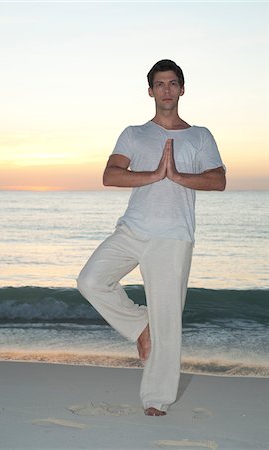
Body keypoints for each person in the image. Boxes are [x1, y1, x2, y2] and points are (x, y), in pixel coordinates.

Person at [77, 59, 226, 416]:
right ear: (150, 91)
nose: (167, 91)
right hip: (132, 229)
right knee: (91, 280)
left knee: (168, 319)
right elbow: (110, 175)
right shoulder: (134, 133)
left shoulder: (199, 135)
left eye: (173, 84)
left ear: (182, 89)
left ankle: (156, 398)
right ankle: (139, 326)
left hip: (173, 237)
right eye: (160, 85)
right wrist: (155, 173)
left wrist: (176, 176)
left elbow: (218, 180)